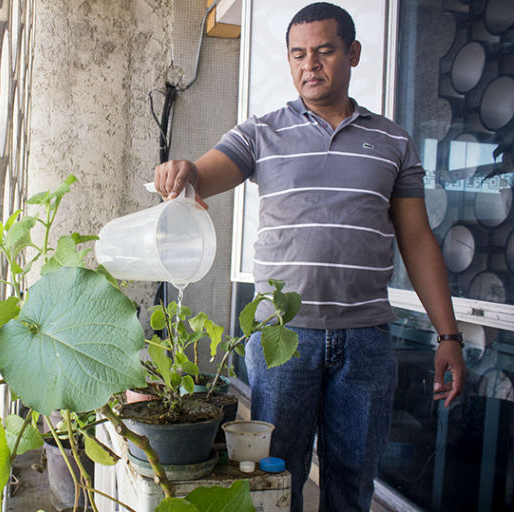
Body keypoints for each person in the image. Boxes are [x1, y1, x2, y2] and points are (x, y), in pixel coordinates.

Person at [154, 2, 467, 511]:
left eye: (324, 51)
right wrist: (184, 171)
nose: (310, 65)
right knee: (278, 477)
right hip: (284, 338)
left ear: (353, 53)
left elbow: (417, 239)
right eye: (298, 54)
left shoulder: (393, 141)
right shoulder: (261, 132)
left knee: (352, 485)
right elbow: (205, 174)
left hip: (365, 340)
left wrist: (448, 334)